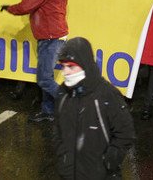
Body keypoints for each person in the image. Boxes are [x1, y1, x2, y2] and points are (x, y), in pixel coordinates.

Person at [55, 37, 135, 179]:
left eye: (71, 66)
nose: (65, 72)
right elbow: (59, 131)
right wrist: (63, 158)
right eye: (63, 66)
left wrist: (110, 160)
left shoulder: (107, 94)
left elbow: (126, 132)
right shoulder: (63, 94)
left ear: (84, 64)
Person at [3, 0, 69, 123]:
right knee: (46, 77)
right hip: (49, 34)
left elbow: (27, 5)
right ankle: (48, 111)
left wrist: (10, 8)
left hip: (51, 36)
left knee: (45, 79)